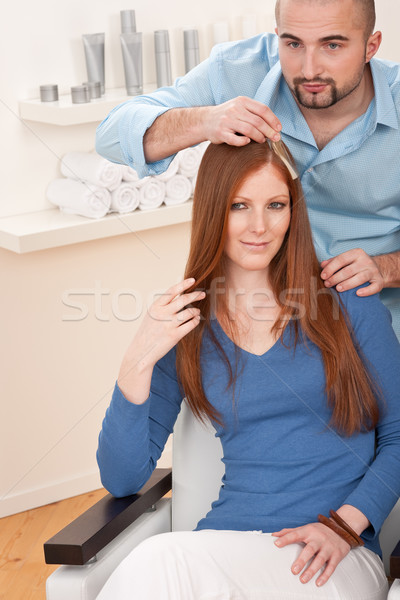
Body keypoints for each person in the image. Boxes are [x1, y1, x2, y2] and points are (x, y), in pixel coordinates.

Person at [96, 140, 400, 599]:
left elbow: (398, 435)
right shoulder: (187, 326)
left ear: (292, 212)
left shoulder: (346, 299)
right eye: (240, 205)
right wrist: (138, 357)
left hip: (334, 555)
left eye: (275, 205)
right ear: (214, 210)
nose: (259, 226)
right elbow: (122, 478)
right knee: (155, 561)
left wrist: (344, 525)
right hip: (228, 542)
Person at [95, 0, 400, 339]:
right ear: (277, 37)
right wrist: (204, 120)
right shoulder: (235, 70)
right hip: (251, 326)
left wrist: (387, 268)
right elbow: (110, 136)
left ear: (371, 46)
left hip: (373, 324)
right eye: (293, 43)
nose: (309, 68)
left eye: (332, 45)